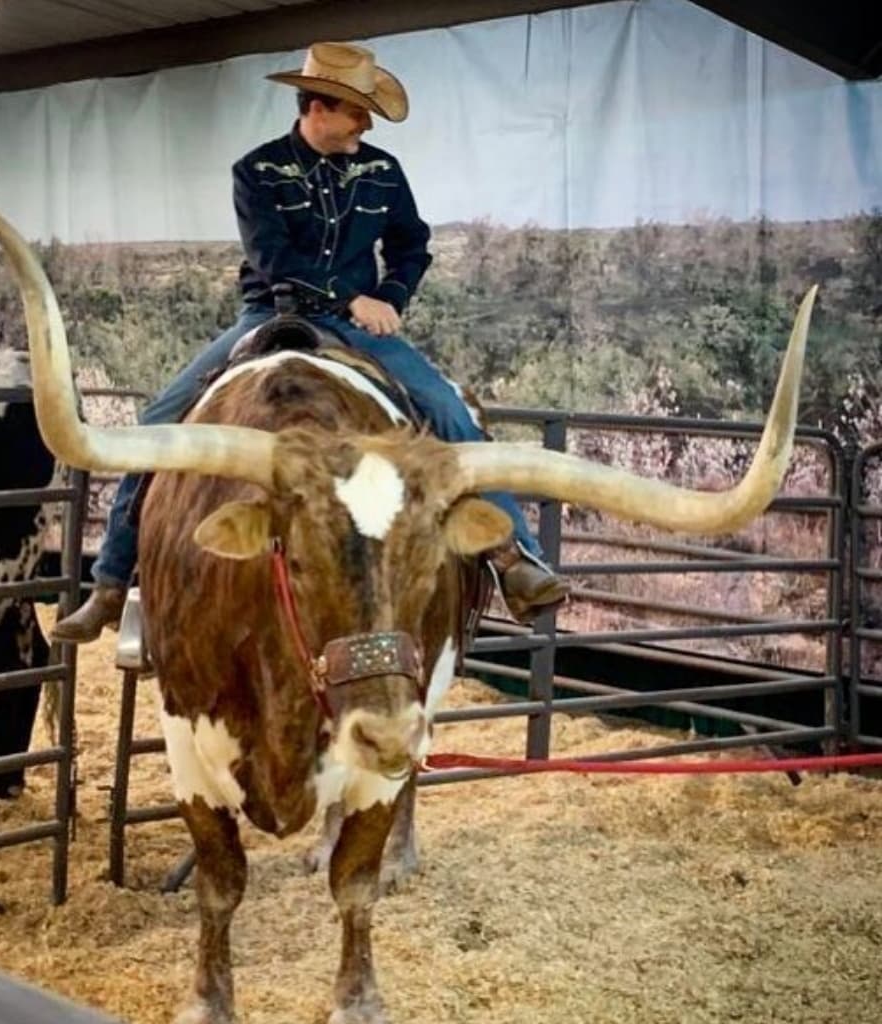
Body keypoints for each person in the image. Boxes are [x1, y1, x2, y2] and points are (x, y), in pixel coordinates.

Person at [55, 40, 569, 642]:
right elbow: (271, 256)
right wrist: (352, 298)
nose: (366, 124)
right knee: (156, 427)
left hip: (356, 329)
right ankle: (111, 584)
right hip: (267, 315)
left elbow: (412, 245)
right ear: (318, 107)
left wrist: (390, 298)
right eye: (357, 111)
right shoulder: (256, 171)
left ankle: (514, 559)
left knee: (448, 408)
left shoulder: (382, 172)